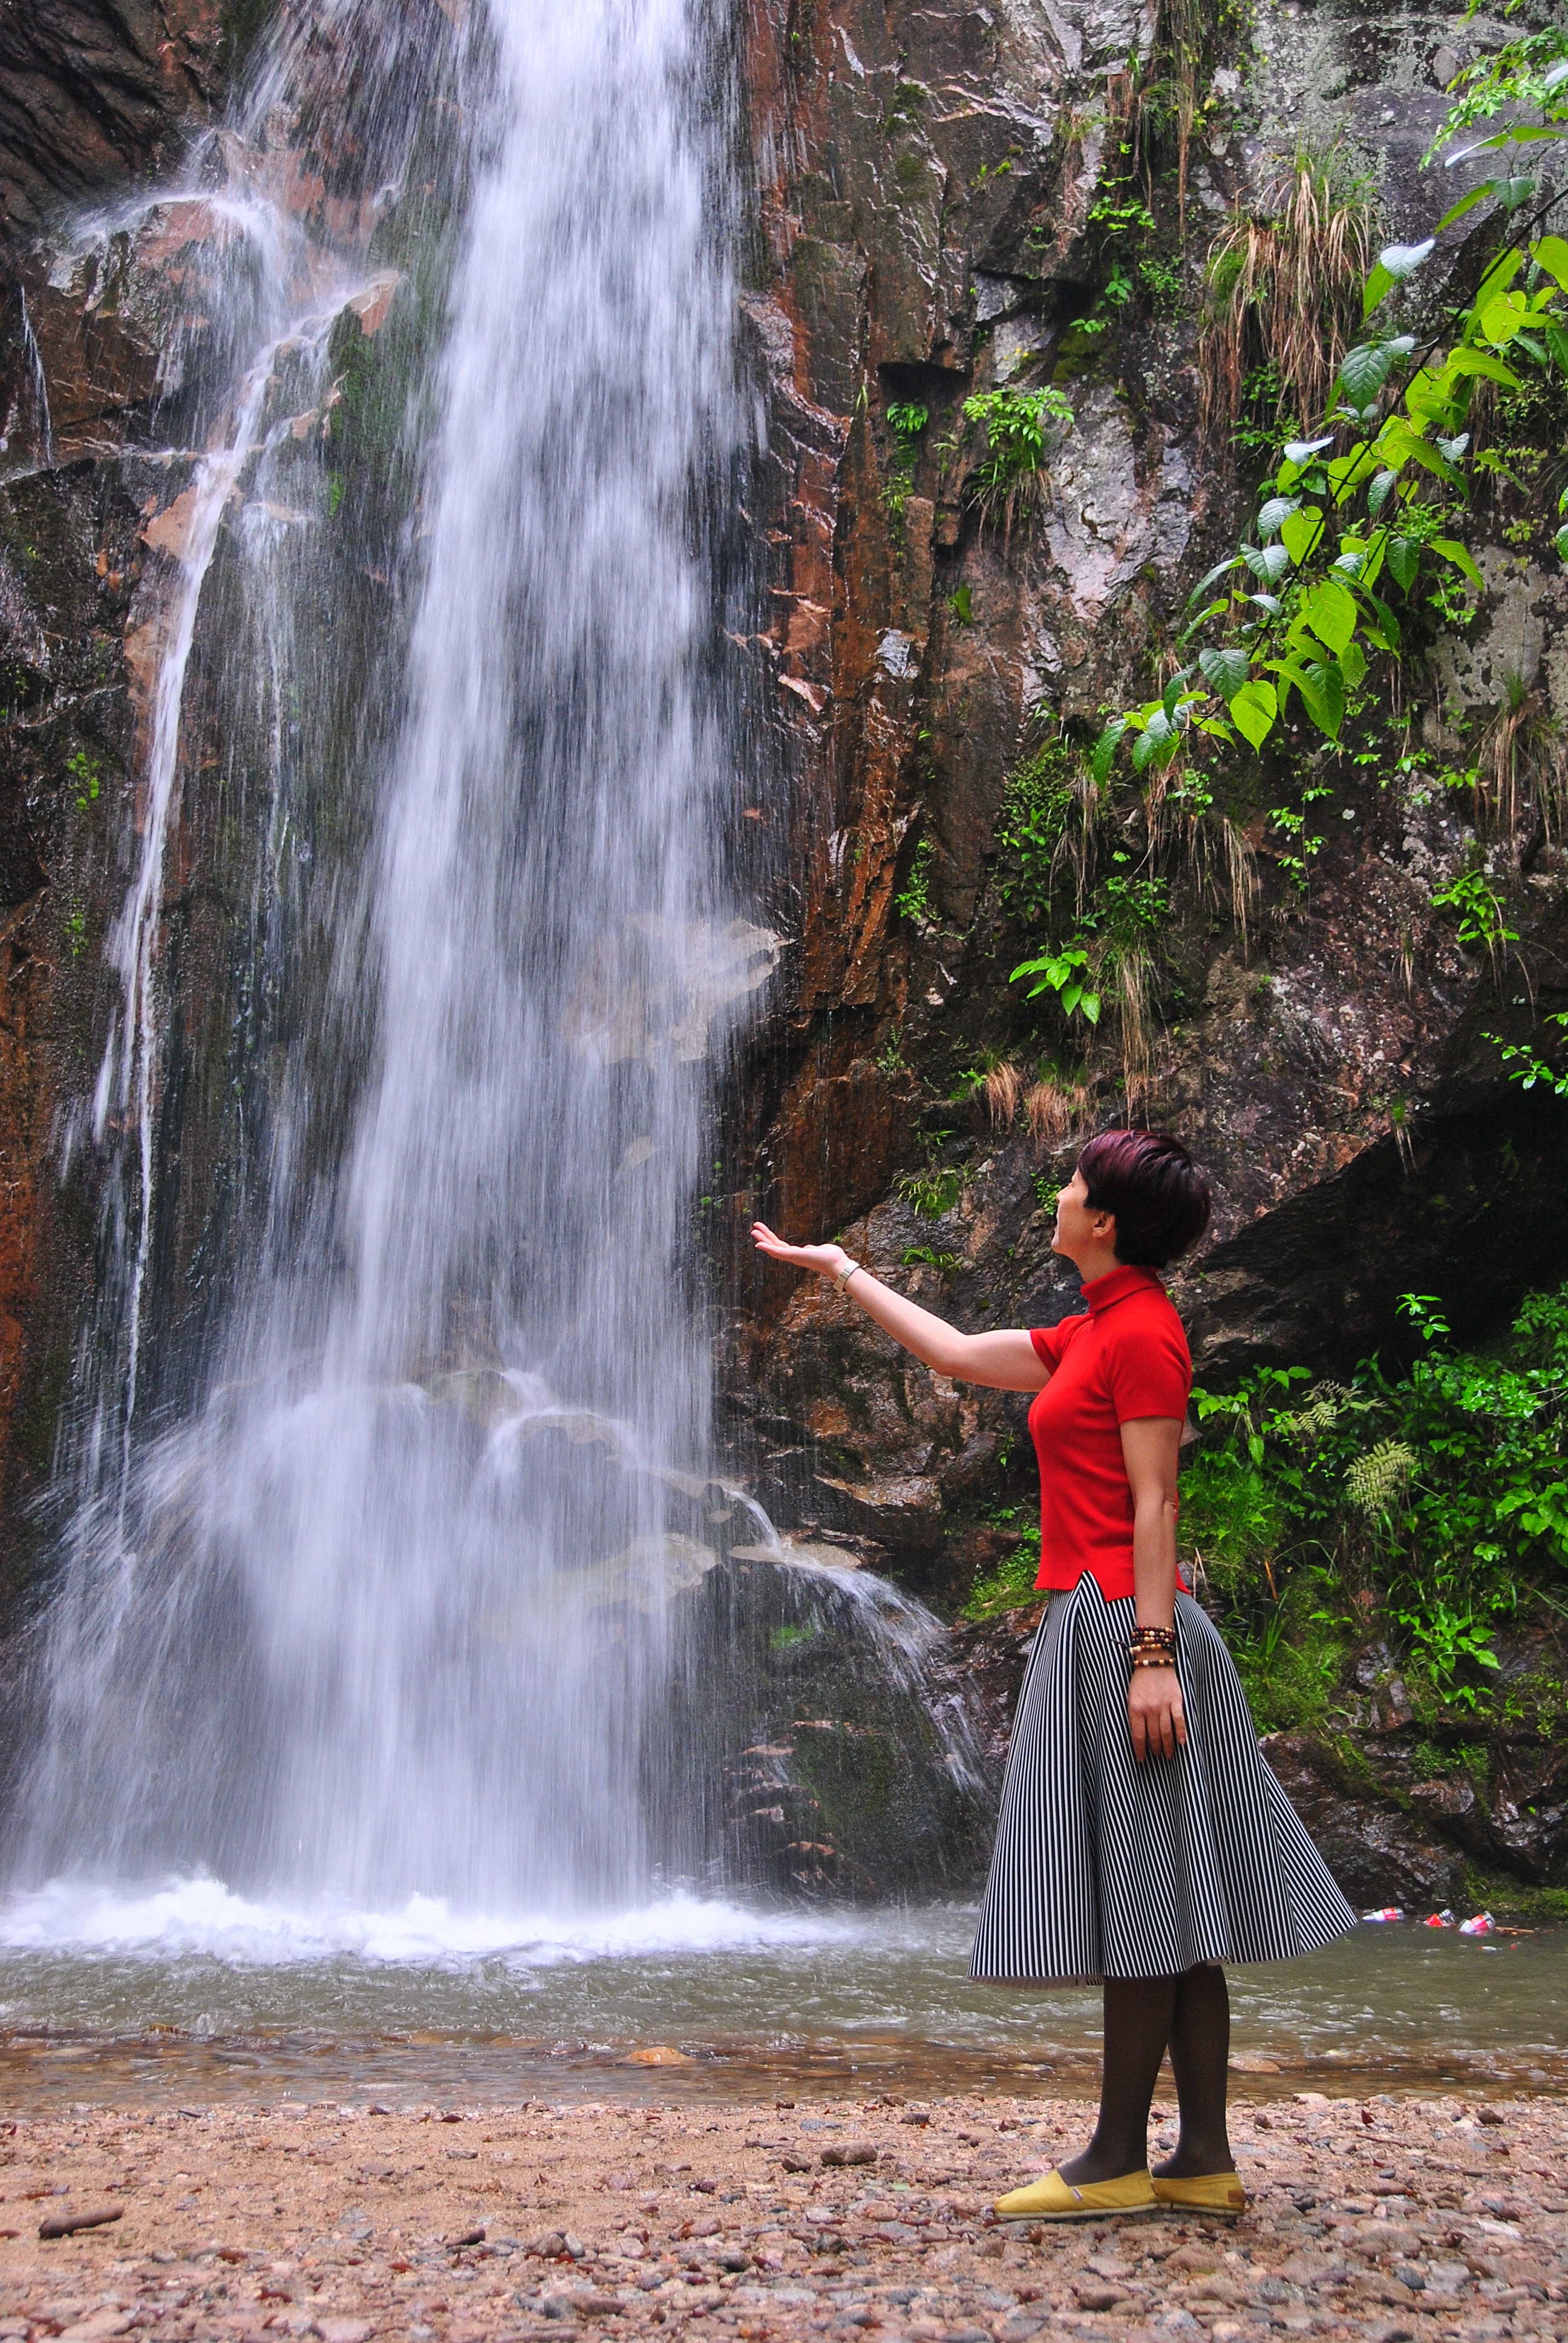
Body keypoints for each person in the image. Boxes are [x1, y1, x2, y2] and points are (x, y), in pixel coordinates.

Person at [752, 1129, 1356, 2222]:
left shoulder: (1147, 1334)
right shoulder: (1090, 1330)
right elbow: (953, 1354)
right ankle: (1203, 2159)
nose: (1060, 1192)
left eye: (1075, 1182)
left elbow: (1156, 1501)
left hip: (1130, 1629)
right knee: (1170, 1901)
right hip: (1102, 1622)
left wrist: (1154, 1659)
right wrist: (843, 1270)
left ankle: (1116, 2160)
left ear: (1106, 1220)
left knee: (1146, 1902)